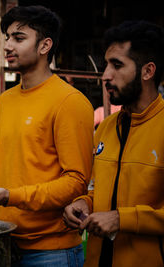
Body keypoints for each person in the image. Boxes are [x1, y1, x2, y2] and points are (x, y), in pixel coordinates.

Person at [0, 5, 94, 267]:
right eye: (7, 37)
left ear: (45, 46)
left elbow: (76, 182)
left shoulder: (70, 102)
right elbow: (3, 170)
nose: (7, 45)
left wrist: (10, 196)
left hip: (51, 251)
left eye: (19, 38)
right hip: (4, 241)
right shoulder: (6, 100)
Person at [63, 21, 164, 267]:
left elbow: (119, 214)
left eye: (117, 65)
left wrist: (123, 219)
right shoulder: (106, 127)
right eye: (106, 64)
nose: (106, 75)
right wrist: (82, 203)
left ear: (147, 71)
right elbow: (97, 189)